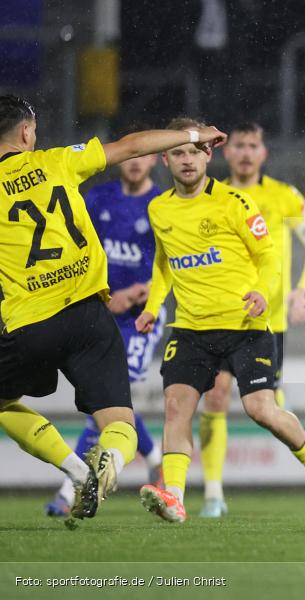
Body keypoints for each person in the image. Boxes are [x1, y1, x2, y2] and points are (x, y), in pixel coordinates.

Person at [0, 95, 226, 527]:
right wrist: (193, 135)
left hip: (31, 321)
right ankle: (113, 464)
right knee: (119, 419)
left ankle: (74, 470)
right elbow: (133, 145)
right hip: (90, 315)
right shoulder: (57, 162)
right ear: (26, 132)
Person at [136, 118, 305, 523]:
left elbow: (270, 255)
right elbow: (164, 262)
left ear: (209, 155)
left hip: (246, 326)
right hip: (192, 328)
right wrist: (153, 306)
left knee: (262, 411)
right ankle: (178, 496)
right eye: (178, 152)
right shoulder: (158, 207)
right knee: (177, 406)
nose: (186, 160)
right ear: (164, 158)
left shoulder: (237, 202)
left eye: (194, 152)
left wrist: (268, 293)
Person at [197, 121, 305, 518]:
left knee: (263, 408)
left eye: (252, 145)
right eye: (238, 145)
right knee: (217, 394)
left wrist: (303, 290)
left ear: (263, 152)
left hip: (268, 323)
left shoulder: (283, 196)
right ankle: (213, 493)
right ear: (226, 151)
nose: (244, 152)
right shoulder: (213, 196)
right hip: (221, 316)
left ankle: (285, 416)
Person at [43, 125, 167, 517]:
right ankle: (155, 458)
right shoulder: (97, 199)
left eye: (142, 155)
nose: (135, 162)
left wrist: (135, 294)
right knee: (115, 400)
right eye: (129, 156)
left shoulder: (161, 206)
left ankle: (69, 490)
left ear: (152, 159)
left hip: (142, 316)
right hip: (100, 311)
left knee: (110, 397)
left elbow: (174, 263)